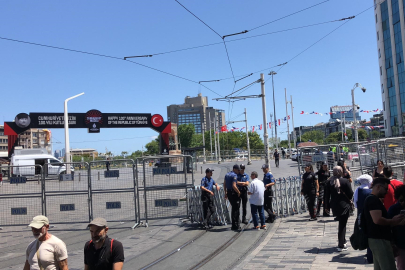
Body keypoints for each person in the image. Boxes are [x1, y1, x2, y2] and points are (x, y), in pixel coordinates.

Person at [364, 177, 405, 269]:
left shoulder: (373, 199)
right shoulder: (373, 200)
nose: (386, 192)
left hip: (377, 239)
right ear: (378, 187)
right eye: (385, 189)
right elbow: (377, 220)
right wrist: (393, 221)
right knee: (388, 266)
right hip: (379, 240)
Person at [324, 166, 353, 252]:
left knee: (341, 223)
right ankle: (341, 244)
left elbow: (326, 196)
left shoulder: (329, 181)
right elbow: (350, 193)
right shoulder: (345, 181)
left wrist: (326, 207)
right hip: (344, 205)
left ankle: (343, 241)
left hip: (334, 206)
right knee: (342, 224)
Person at [353, 174, 373, 263]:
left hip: (360, 214)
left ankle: (365, 248)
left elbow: (355, 202)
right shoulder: (370, 191)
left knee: (363, 231)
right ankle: (370, 254)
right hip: (370, 215)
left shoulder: (358, 190)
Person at [388, 185, 405, 270]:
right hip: (400, 243)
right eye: (401, 200)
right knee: (401, 266)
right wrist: (394, 222)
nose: (403, 203)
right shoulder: (394, 209)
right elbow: (387, 226)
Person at [224, 164, 241, 230]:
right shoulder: (234, 175)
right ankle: (236, 224)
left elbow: (224, 184)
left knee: (233, 208)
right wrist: (238, 192)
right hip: (234, 193)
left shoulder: (227, 174)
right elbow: (234, 185)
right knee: (236, 209)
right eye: (237, 170)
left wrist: (225, 192)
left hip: (229, 192)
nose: (238, 171)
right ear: (234, 169)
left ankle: (234, 224)